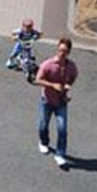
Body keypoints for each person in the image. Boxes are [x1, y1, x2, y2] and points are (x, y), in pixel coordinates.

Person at [35, 36, 78, 167]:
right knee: (43, 125)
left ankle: (60, 154)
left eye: (64, 51)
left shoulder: (71, 66)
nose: (61, 53)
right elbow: (38, 80)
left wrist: (68, 85)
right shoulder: (48, 64)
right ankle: (43, 142)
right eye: (60, 50)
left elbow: (73, 77)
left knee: (62, 129)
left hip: (61, 102)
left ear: (69, 52)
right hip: (47, 100)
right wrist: (52, 85)